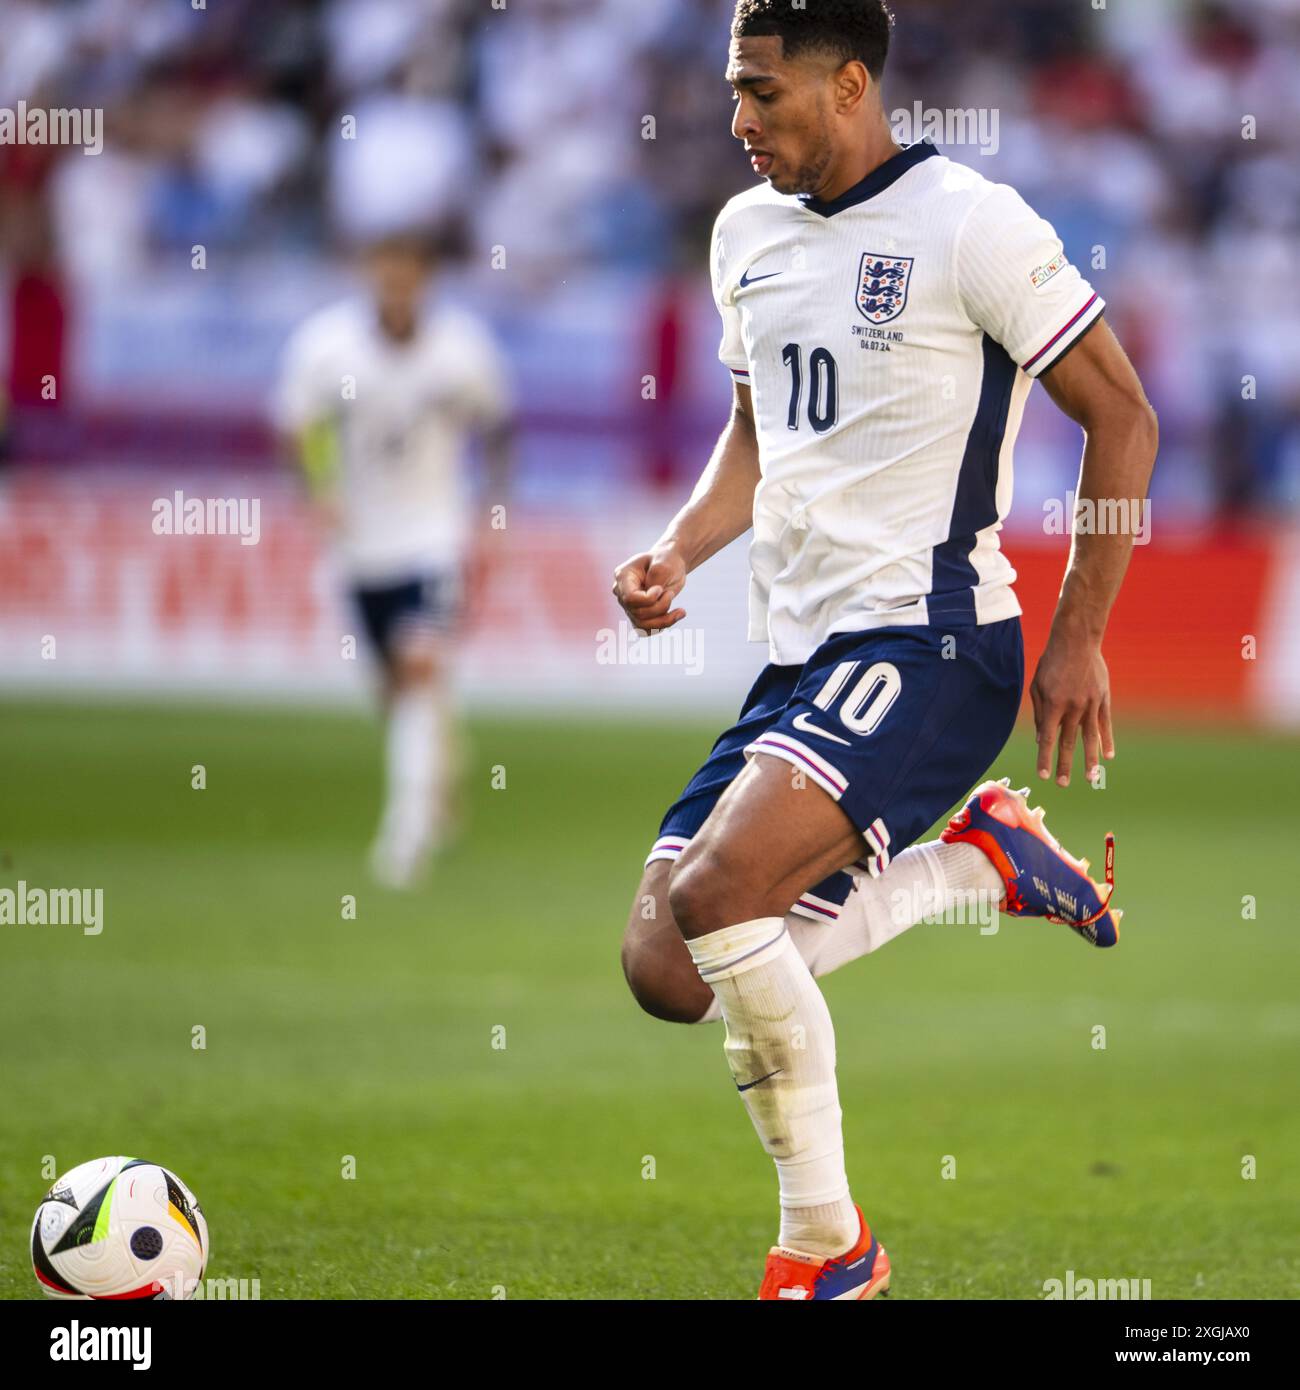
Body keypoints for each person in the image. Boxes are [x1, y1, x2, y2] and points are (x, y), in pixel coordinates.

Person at [614, 0, 1157, 1301]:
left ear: (850, 82)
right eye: (734, 92)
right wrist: (682, 551)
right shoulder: (745, 231)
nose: (740, 121)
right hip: (800, 658)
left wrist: (1078, 634)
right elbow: (757, 437)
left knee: (721, 897)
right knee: (668, 967)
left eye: (764, 93)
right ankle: (972, 867)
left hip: (937, 638)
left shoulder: (970, 222)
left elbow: (1122, 417)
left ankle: (828, 1248)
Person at [275, 230, 512, 887]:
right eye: (387, 270)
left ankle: (404, 840)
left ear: (426, 278)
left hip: (434, 538)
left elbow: (497, 427)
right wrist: (318, 492)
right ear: (370, 273)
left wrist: (495, 510)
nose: (398, 284)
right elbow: (295, 427)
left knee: (417, 668)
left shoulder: (461, 350)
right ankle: (441, 753)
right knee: (393, 690)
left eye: (410, 272)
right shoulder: (327, 348)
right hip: (358, 546)